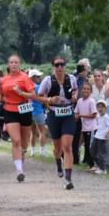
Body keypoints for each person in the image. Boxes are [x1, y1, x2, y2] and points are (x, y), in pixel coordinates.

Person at [36, 57, 79, 190]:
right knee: (57, 147)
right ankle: (58, 164)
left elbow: (76, 89)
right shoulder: (47, 80)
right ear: (53, 66)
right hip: (54, 114)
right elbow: (38, 96)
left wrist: (75, 96)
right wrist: (49, 99)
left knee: (67, 146)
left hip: (68, 114)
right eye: (57, 65)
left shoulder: (71, 78)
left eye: (62, 64)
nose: (60, 67)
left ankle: (68, 178)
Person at [0, 54, 37, 182]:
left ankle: (22, 158)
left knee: (24, 142)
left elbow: (33, 95)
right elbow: (1, 95)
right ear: (8, 65)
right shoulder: (3, 80)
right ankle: (19, 171)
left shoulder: (24, 77)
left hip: (24, 109)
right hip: (9, 109)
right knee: (16, 140)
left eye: (16, 62)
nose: (13, 64)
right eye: (11, 62)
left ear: (19, 64)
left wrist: (20, 93)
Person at [75, 81, 98, 170]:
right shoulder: (79, 101)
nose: (86, 90)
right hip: (84, 128)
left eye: (88, 89)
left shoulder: (91, 101)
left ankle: (93, 165)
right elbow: (76, 112)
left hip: (92, 128)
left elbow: (94, 115)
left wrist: (81, 115)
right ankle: (90, 164)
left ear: (90, 91)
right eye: (84, 88)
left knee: (90, 146)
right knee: (86, 146)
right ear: (81, 90)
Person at [26, 69, 48, 157]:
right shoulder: (38, 87)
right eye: (38, 76)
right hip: (38, 111)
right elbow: (42, 100)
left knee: (33, 132)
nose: (40, 78)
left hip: (29, 111)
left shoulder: (27, 87)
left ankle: (32, 151)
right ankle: (42, 151)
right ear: (33, 78)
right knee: (42, 131)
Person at [91, 100, 109, 175]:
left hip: (102, 138)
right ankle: (99, 166)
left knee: (101, 154)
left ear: (105, 108)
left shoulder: (106, 117)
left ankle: (103, 169)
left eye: (102, 107)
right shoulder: (98, 116)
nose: (100, 109)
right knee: (93, 151)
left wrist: (107, 134)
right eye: (98, 107)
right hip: (97, 136)